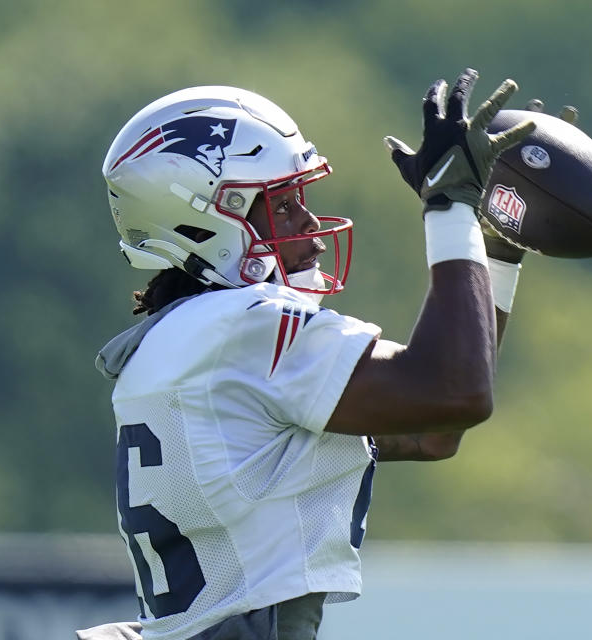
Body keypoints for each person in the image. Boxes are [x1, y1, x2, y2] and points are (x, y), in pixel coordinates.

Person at [78, 68, 535, 640]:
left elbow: (430, 428)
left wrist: (489, 246)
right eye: (285, 206)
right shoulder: (239, 329)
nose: (312, 230)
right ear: (211, 218)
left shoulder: (179, 344)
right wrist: (449, 206)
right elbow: (453, 393)